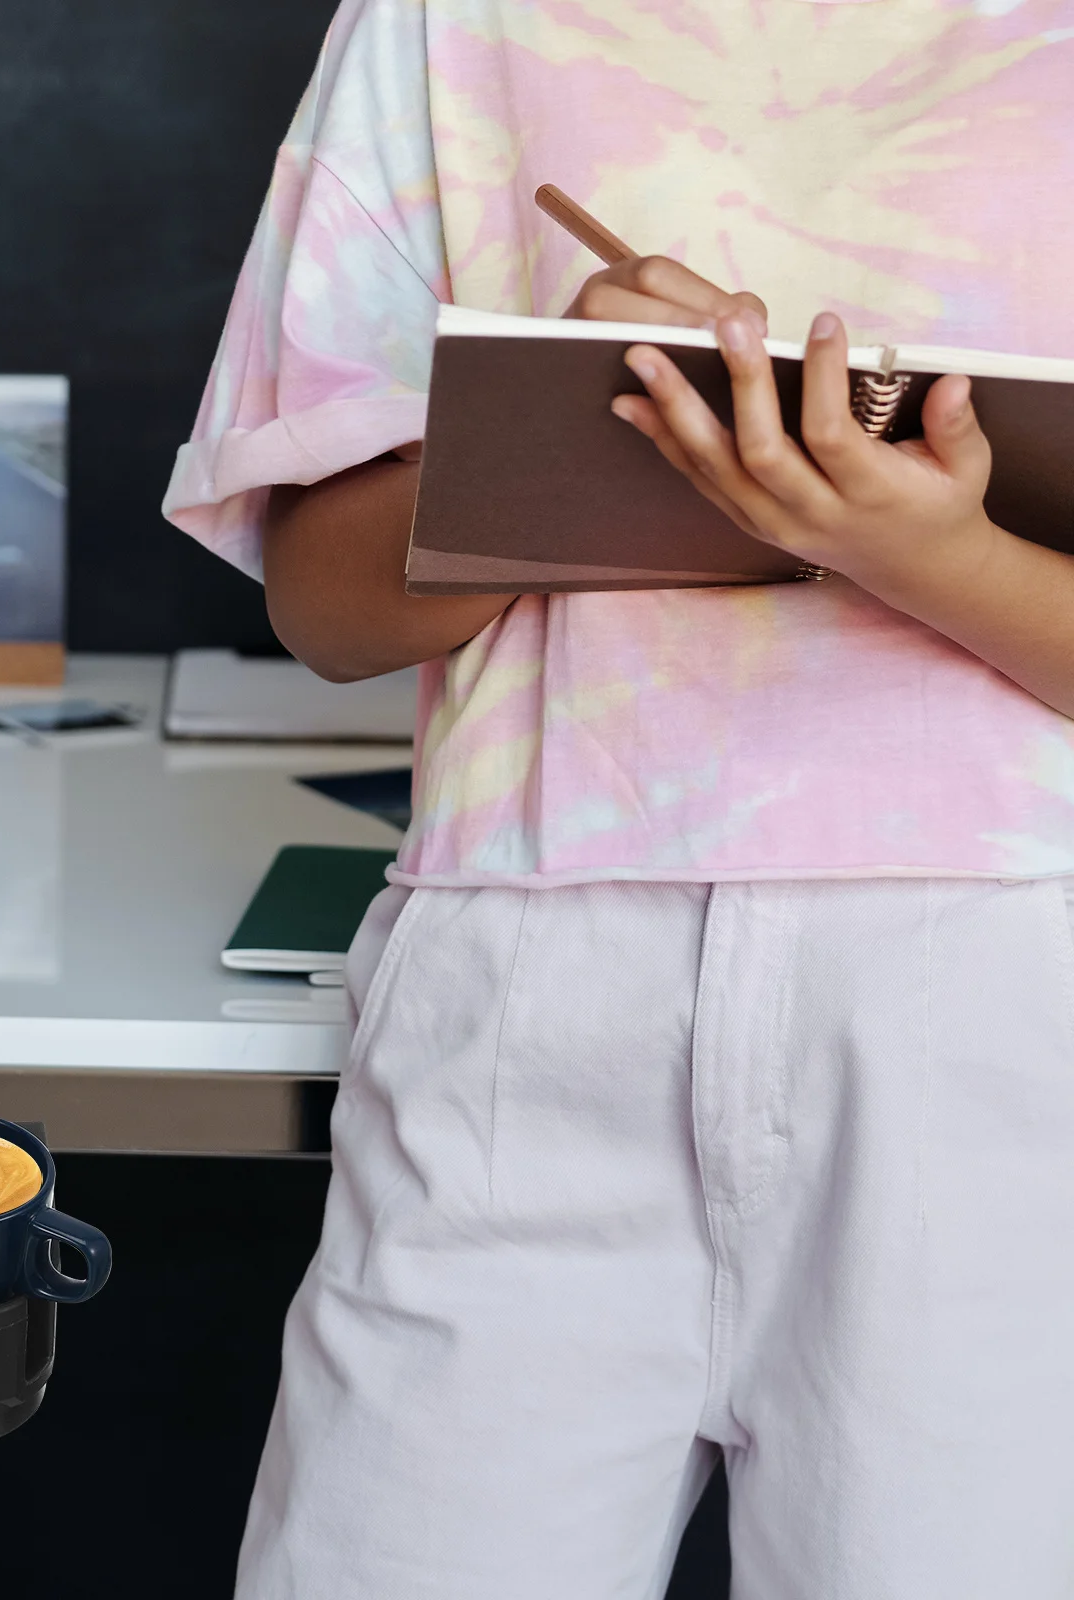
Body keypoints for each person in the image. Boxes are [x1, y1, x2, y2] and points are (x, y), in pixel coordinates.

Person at [163, 1, 1074, 1594]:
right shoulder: (447, 22)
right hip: (526, 996)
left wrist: (930, 557)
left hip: (1009, 1016)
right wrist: (577, 423)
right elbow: (323, 608)